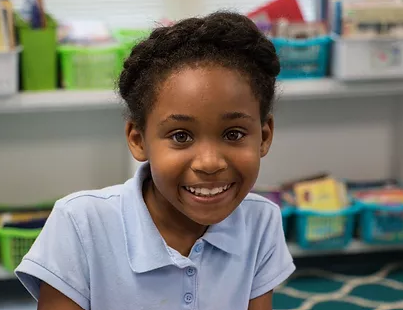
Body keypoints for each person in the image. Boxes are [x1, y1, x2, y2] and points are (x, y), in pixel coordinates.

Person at [15, 11, 295, 310]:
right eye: (181, 136)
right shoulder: (80, 224)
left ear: (264, 136)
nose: (210, 163)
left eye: (234, 134)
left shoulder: (261, 221)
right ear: (138, 140)